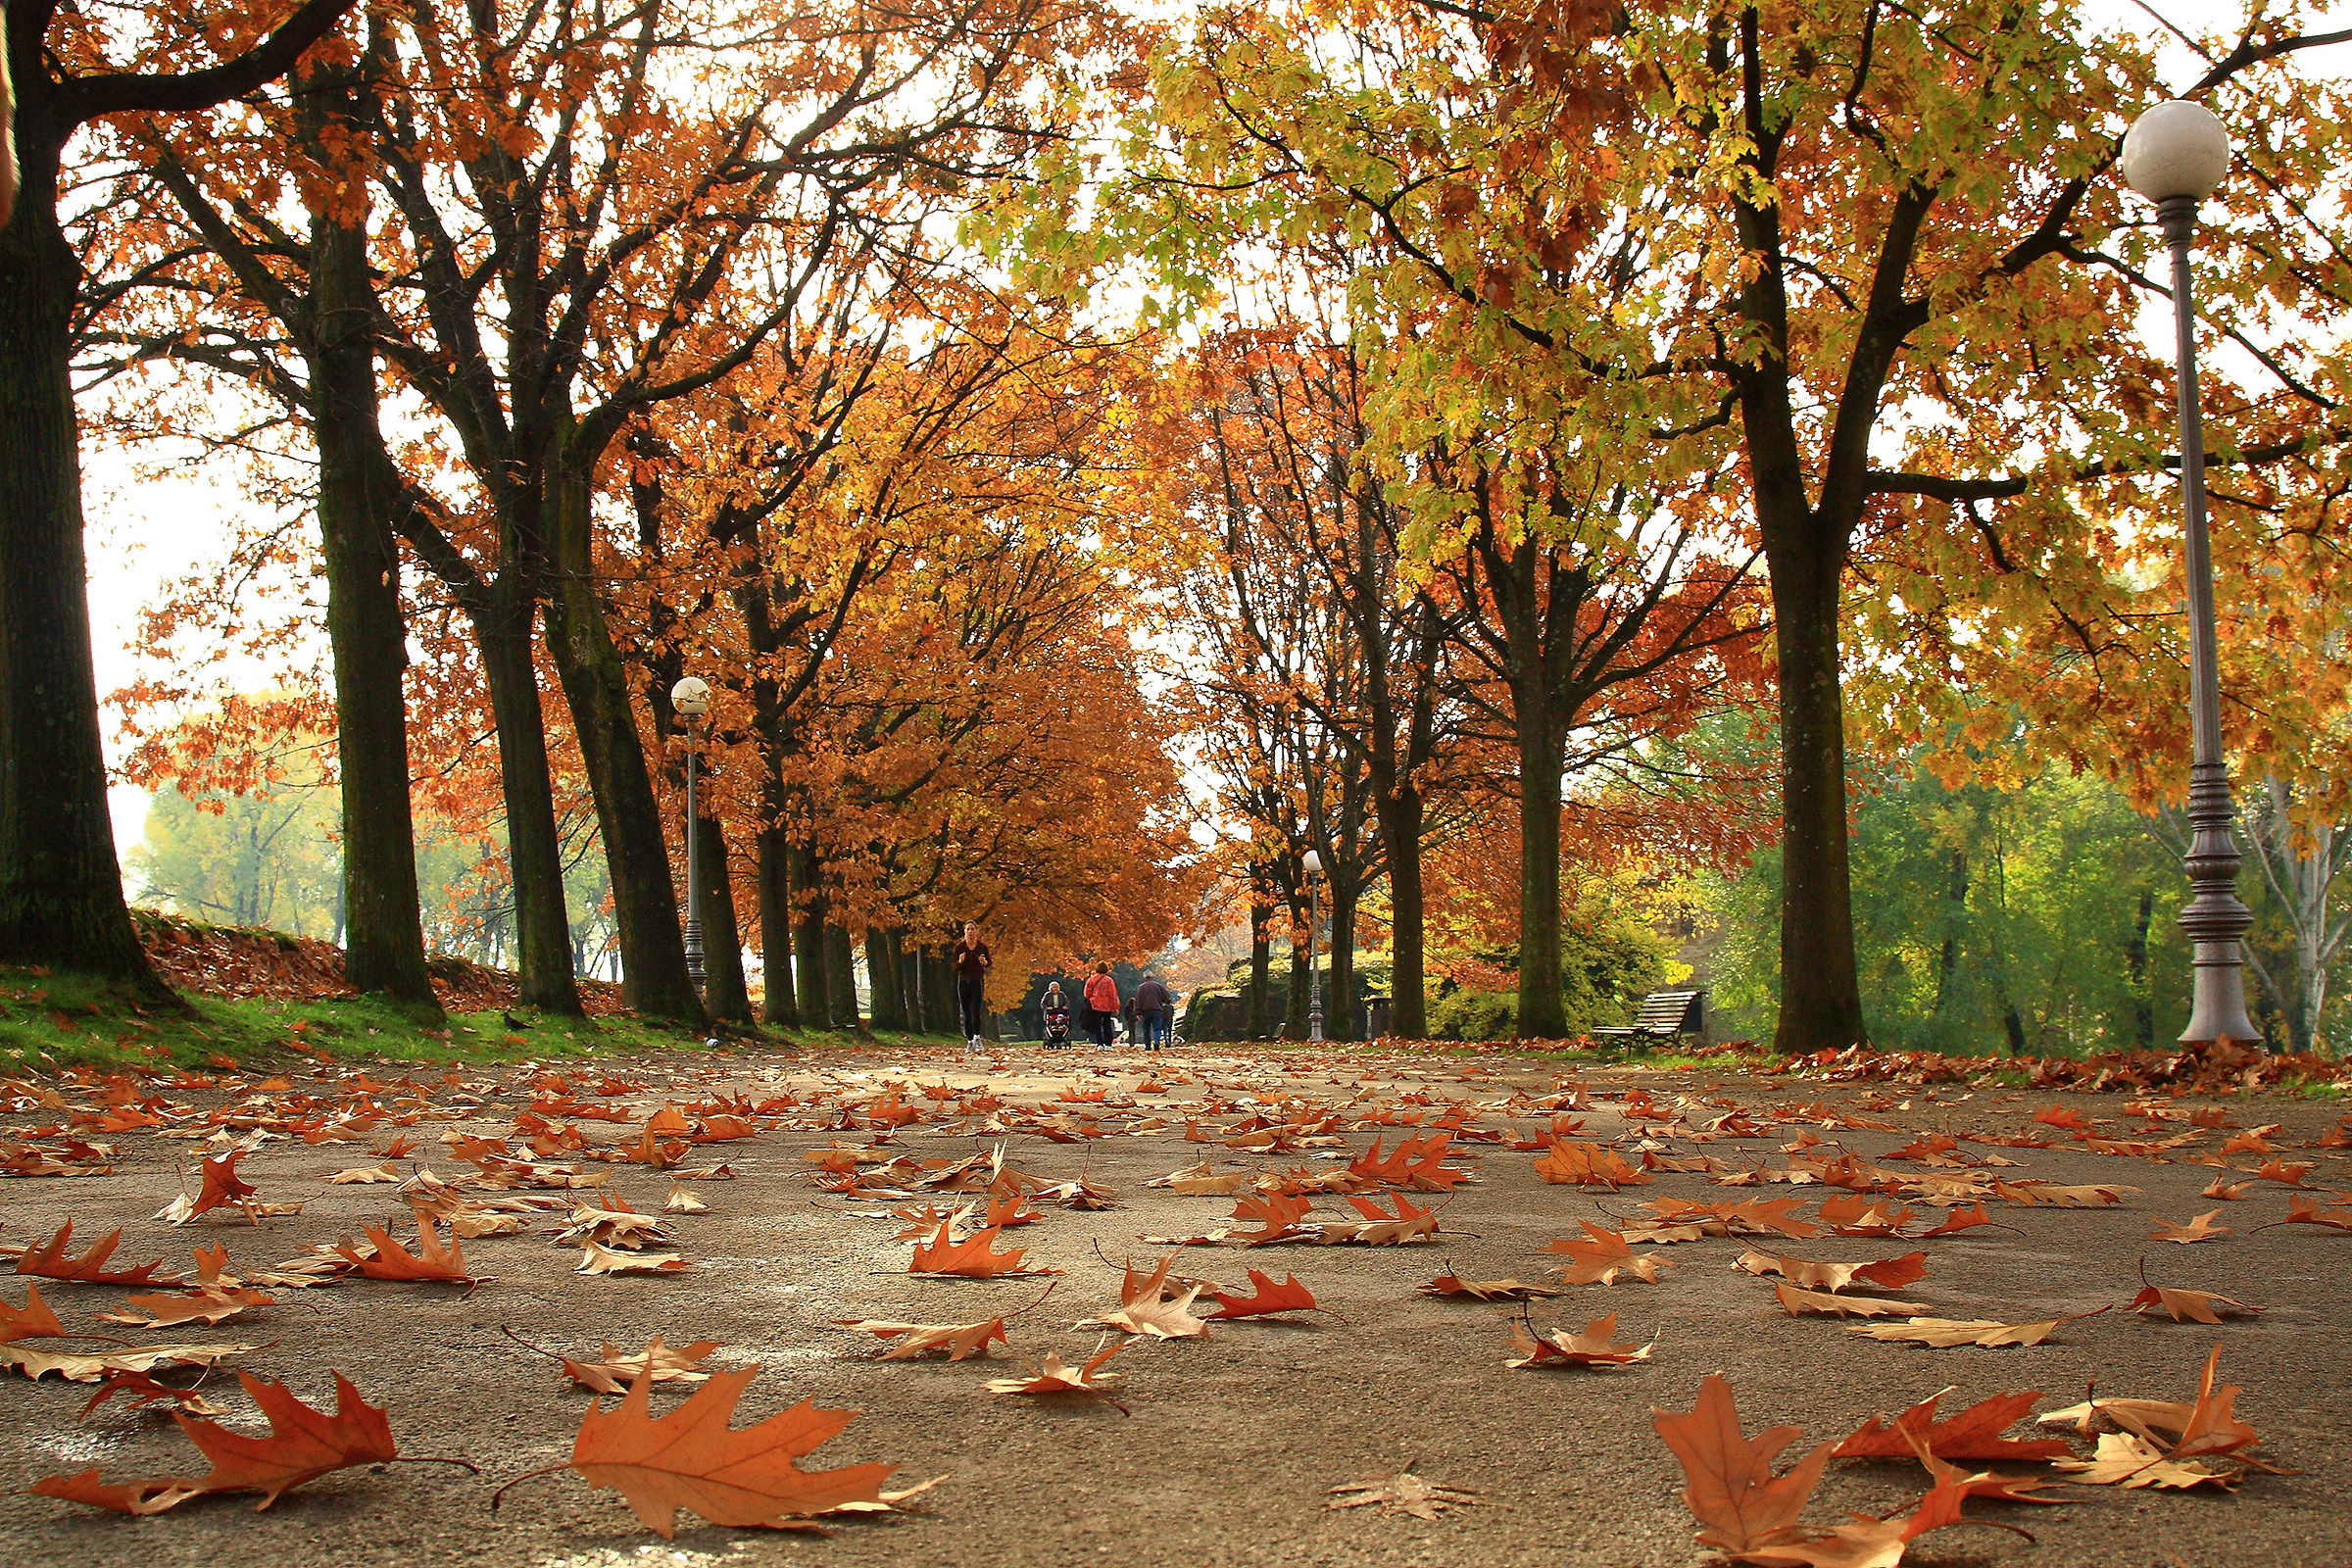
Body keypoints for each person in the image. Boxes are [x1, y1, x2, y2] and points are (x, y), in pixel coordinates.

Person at [952, 921, 992, 1051]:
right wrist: (960, 961)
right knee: (966, 1012)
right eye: (967, 929)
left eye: (972, 929)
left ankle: (977, 1037)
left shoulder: (981, 947)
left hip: (977, 981)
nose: (970, 932)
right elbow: (953, 967)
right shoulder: (960, 948)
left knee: (976, 1010)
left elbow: (988, 964)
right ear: (964, 932)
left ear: (976, 931)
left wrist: (984, 962)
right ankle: (969, 1041)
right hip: (963, 981)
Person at [1082, 962, 1120, 1050]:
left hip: (1095, 1005)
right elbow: (1113, 994)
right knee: (1107, 1024)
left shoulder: (1091, 979)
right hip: (1107, 1006)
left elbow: (1086, 993)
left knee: (1097, 1025)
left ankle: (1100, 1043)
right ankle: (1108, 1044)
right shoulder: (1109, 980)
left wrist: (1092, 998)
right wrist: (1116, 1007)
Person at [1134, 973, 1173, 1052]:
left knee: (1146, 1029)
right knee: (1157, 1028)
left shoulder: (1141, 987)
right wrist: (1166, 1001)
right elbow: (1167, 997)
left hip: (1145, 1011)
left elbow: (1138, 1000)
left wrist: (1137, 1012)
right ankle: (1157, 1042)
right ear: (1153, 977)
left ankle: (1148, 1046)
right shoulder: (1158, 986)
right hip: (1157, 1010)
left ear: (1145, 978)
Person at [1042, 983, 1071, 1050]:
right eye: (1054, 987)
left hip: (1061, 1011)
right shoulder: (1047, 995)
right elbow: (1043, 1003)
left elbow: (1067, 1002)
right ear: (1051, 988)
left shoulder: (1062, 995)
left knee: (1064, 1021)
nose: (1055, 989)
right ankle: (1051, 1037)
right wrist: (1047, 1008)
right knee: (1050, 1022)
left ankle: (1063, 1035)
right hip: (1051, 1011)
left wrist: (1065, 1006)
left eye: (1057, 987)